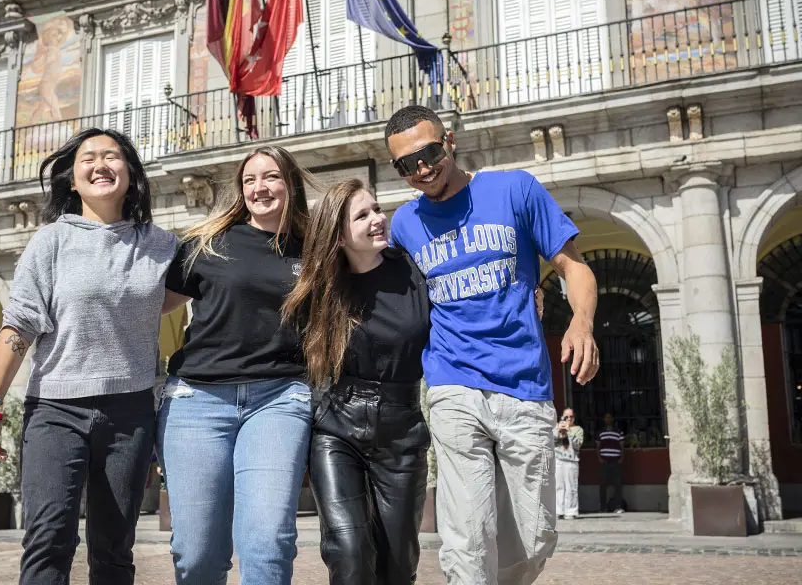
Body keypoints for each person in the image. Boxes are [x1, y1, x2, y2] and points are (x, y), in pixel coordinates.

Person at [385, 105, 600, 585]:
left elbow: (574, 266)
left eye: (429, 153)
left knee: (535, 536)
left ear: (450, 142)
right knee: (467, 532)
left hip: (523, 383)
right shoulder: (404, 224)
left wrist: (581, 325)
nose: (422, 168)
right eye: (406, 164)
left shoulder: (514, 189)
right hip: (451, 383)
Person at [0, 128, 177, 584]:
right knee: (48, 539)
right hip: (54, 409)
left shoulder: (162, 245)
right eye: (88, 158)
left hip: (130, 411)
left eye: (112, 156)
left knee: (114, 547)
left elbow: (188, 290)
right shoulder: (50, 242)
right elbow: (20, 323)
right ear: (72, 178)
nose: (100, 164)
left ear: (131, 175)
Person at [158, 145, 314, 585]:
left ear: (290, 184)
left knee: (268, 544)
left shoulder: (316, 248)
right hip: (196, 402)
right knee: (196, 555)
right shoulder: (208, 241)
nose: (259, 188)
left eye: (271, 177)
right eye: (250, 180)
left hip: (279, 399)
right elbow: (151, 307)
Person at [281, 179, 431, 584]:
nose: (378, 220)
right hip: (336, 428)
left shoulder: (414, 271)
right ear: (338, 234)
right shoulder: (322, 290)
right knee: (349, 552)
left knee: (398, 565)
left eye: (377, 209)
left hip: (403, 429)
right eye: (362, 215)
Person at [554, 408, 584, 520]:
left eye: (571, 417)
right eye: (566, 417)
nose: (569, 419)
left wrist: (569, 431)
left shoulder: (578, 429)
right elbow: (552, 440)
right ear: (562, 417)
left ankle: (571, 511)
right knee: (558, 486)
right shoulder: (557, 427)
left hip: (571, 461)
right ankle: (559, 510)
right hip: (558, 459)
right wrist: (558, 430)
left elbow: (578, 444)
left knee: (571, 487)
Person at [598, 412, 625, 514]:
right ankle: (603, 507)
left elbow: (622, 446)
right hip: (604, 461)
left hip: (616, 461)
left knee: (617, 484)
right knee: (603, 485)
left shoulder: (618, 432)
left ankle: (618, 506)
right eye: (606, 417)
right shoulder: (600, 432)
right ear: (604, 420)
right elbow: (598, 447)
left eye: (610, 417)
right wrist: (599, 458)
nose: (608, 419)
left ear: (612, 419)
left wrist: (622, 457)